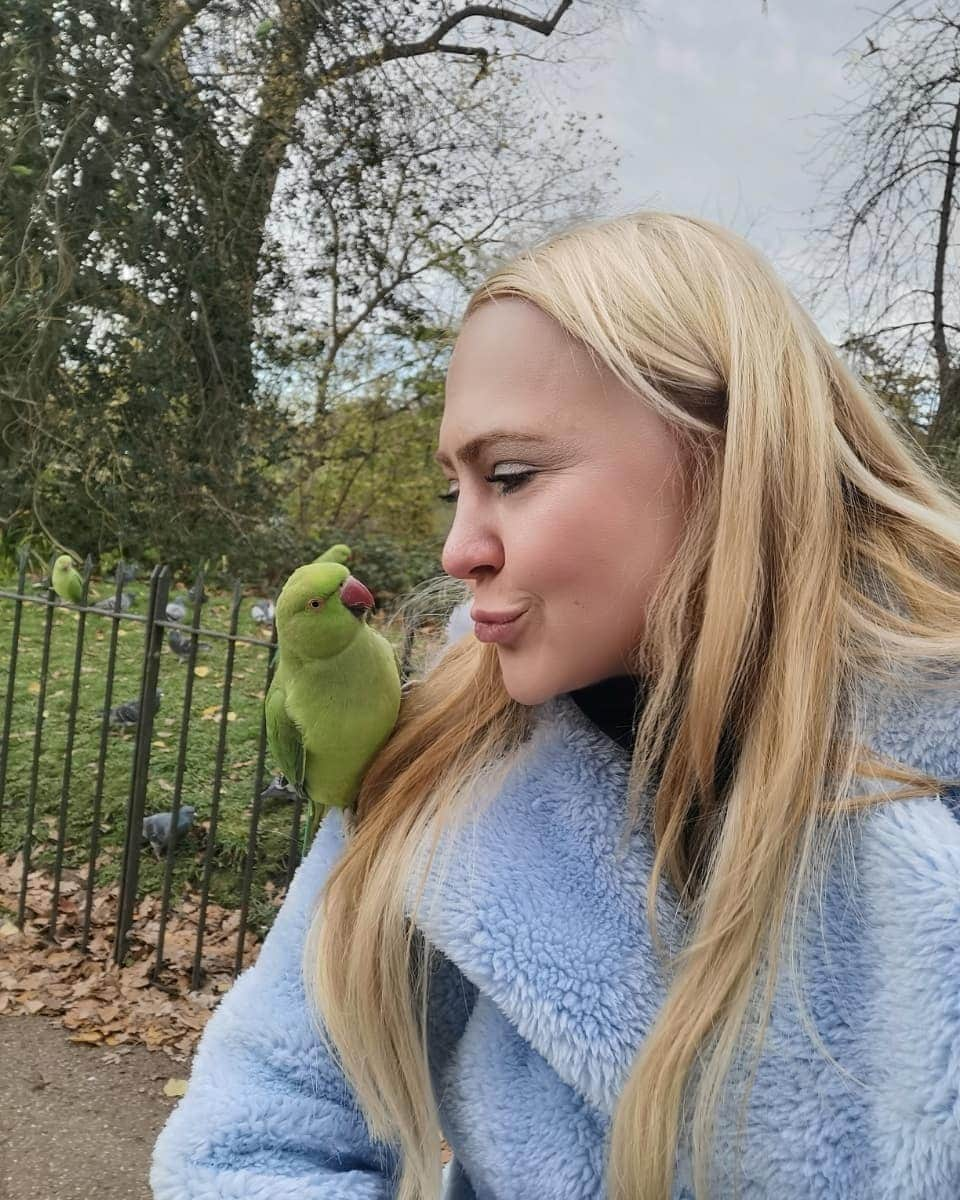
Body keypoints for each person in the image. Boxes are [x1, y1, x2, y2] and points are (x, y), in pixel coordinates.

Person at [150, 212, 960, 1200]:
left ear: (728, 450)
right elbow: (251, 1136)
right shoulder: (448, 752)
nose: (457, 551)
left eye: (511, 477)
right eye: (457, 489)